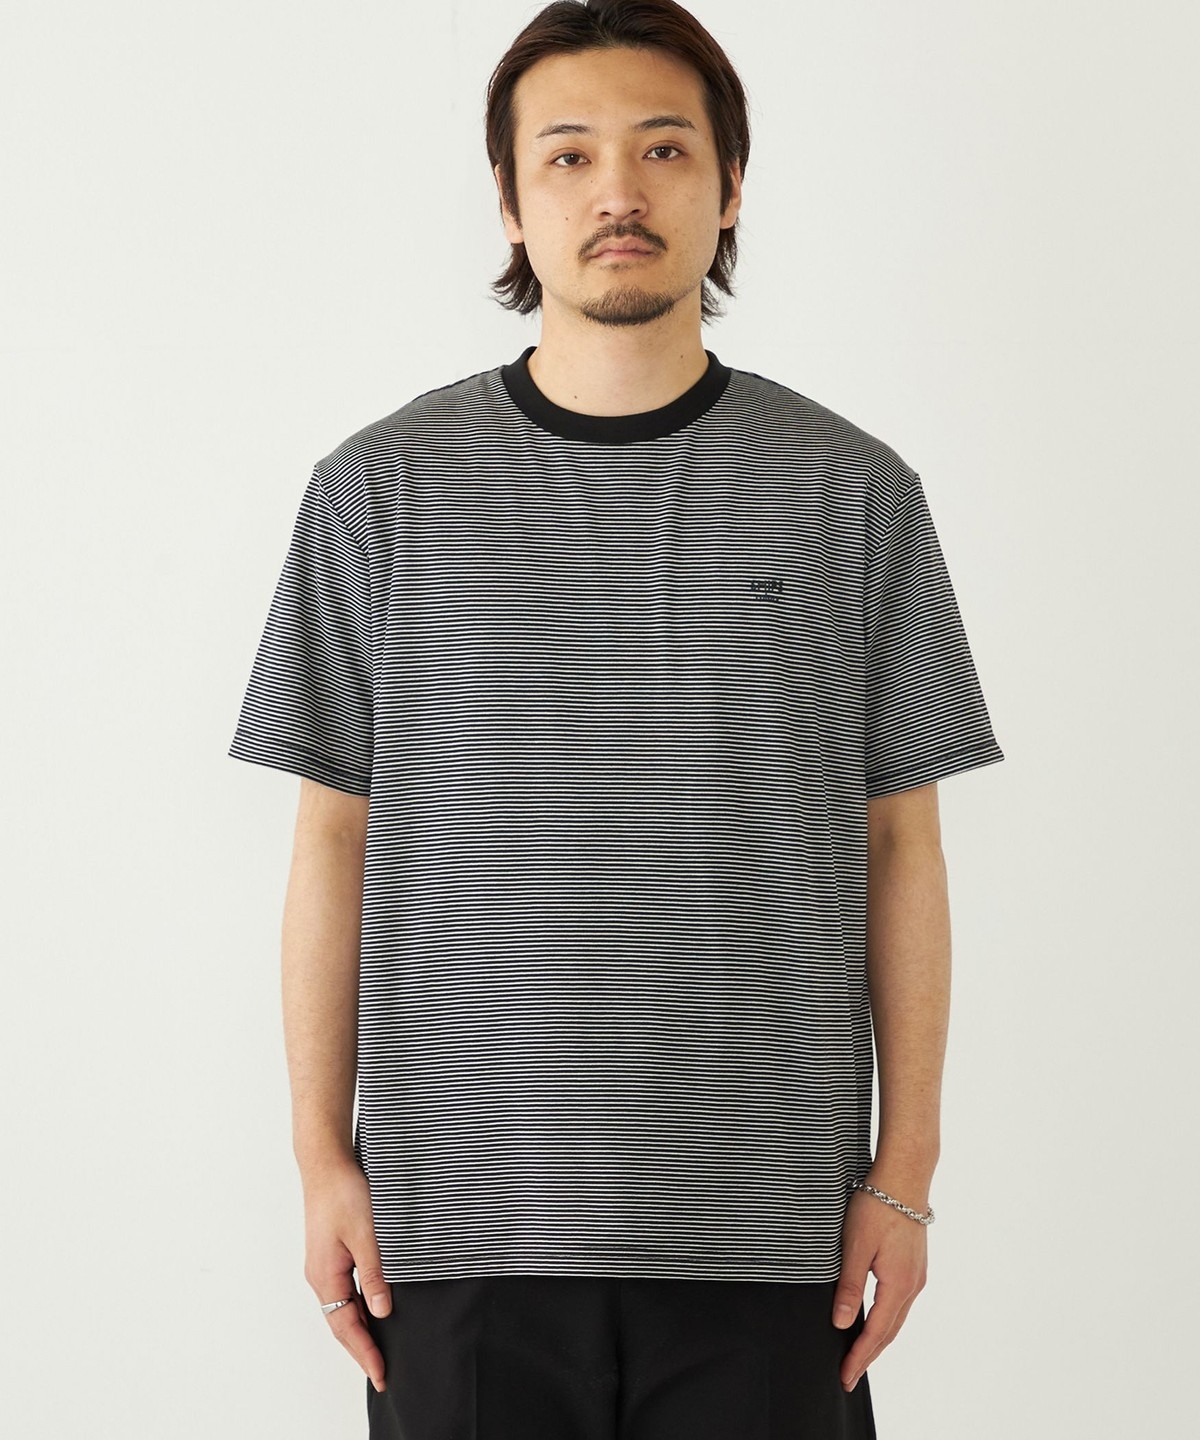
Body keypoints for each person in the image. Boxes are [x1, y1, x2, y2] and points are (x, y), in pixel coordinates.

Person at [227, 2, 1005, 1435]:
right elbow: (332, 838)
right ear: (511, 202)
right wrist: (319, 1159)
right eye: (569, 155)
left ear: (730, 185)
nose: (618, 193)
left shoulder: (853, 495)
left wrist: (905, 1178)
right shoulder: (379, 492)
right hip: (455, 1240)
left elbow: (905, 845)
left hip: (768, 1238)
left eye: (663, 149)